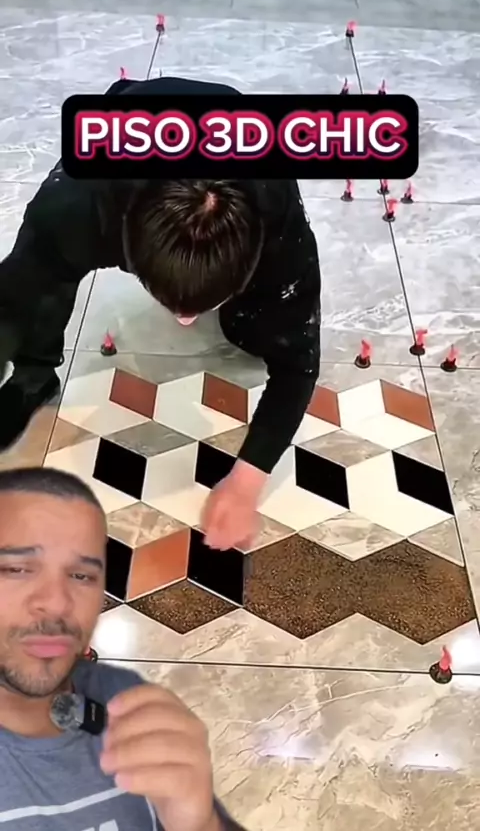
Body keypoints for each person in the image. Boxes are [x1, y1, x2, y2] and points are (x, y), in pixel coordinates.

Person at [0, 75, 321, 552]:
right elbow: (12, 300)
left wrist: (246, 482)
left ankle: (237, 311)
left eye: (203, 305)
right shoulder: (77, 204)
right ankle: (34, 379)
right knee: (42, 281)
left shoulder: (278, 222)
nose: (185, 322)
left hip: (235, 131)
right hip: (126, 130)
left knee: (259, 329)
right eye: (170, 301)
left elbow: (298, 365)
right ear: (127, 250)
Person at [0, 465, 247, 831]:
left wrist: (200, 823)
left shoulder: (124, 696)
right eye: (17, 569)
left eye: (81, 576)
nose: (57, 602)